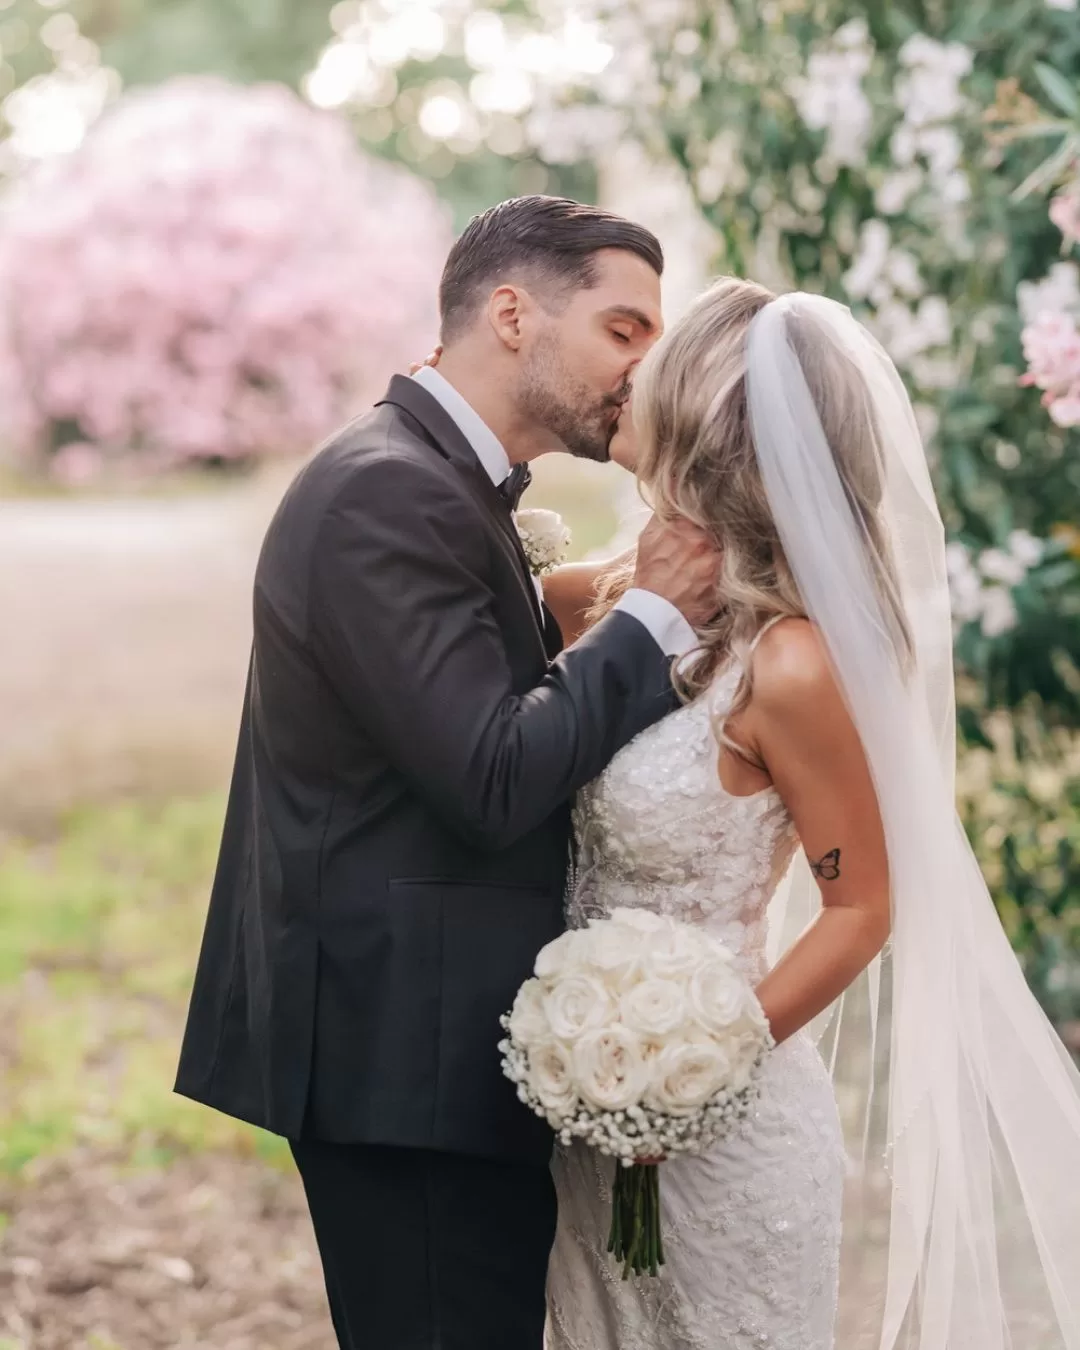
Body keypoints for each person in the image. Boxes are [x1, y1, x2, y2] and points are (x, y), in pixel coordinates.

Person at [173, 195, 721, 1350]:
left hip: (426, 1048)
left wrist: (606, 599)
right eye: (623, 331)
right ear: (513, 313)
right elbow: (488, 773)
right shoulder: (389, 490)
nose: (641, 368)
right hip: (398, 1062)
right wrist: (656, 616)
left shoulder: (437, 481)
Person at [543, 278, 1080, 1350]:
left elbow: (859, 910)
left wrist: (688, 1070)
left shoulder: (790, 664)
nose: (629, 376)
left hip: (712, 1116)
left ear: (701, 416)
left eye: (656, 361)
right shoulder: (618, 597)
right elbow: (543, 613)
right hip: (578, 1100)